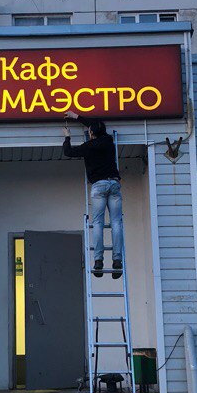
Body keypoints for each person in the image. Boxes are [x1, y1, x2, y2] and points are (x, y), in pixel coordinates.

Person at [62, 112, 123, 278]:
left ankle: (98, 261)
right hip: (114, 184)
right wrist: (77, 116)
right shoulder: (108, 140)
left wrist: (67, 136)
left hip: (98, 186)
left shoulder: (87, 146)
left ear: (91, 133)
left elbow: (68, 152)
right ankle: (117, 260)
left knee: (98, 223)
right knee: (116, 222)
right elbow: (95, 124)